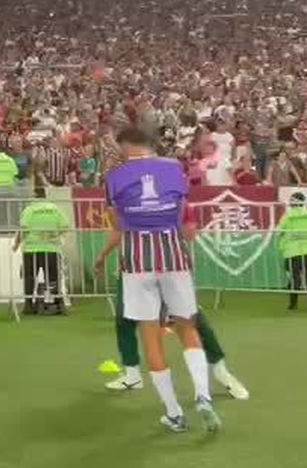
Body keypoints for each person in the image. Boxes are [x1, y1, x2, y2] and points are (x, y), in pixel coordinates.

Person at [93, 127, 220, 433]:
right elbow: (181, 212)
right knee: (187, 328)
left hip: (137, 260)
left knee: (150, 335)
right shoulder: (175, 169)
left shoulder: (114, 177)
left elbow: (118, 221)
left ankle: (174, 413)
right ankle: (203, 395)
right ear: (150, 145)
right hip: (173, 254)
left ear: (123, 146)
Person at [103, 273, 250, 400]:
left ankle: (221, 372)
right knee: (124, 317)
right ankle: (132, 374)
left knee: (192, 317)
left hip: (167, 265)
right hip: (132, 268)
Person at [12, 185, 70, 315]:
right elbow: (65, 226)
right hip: (51, 248)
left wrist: (16, 244)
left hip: (32, 249)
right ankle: (56, 305)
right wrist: (54, 234)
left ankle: (28, 305)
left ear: (34, 196)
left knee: (30, 277)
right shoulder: (55, 209)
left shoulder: (30, 209)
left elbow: (23, 229)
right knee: (53, 278)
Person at [276, 192, 307, 310]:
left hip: (292, 251)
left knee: (294, 278)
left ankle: (293, 304)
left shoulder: (287, 216)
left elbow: (279, 231)